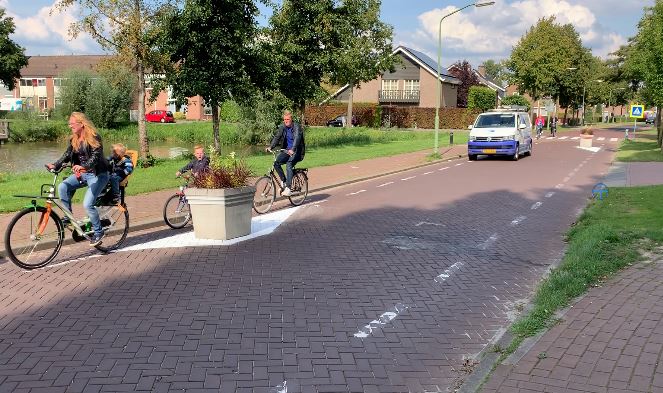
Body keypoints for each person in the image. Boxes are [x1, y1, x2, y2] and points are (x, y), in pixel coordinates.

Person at [47, 112, 110, 246]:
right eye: (69, 124)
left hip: (98, 174)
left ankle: (98, 232)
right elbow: (67, 154)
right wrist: (56, 164)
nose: (70, 126)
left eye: (72, 124)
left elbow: (96, 157)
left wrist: (84, 167)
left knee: (87, 204)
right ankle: (68, 217)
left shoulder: (94, 137)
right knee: (63, 186)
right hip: (83, 174)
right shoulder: (74, 139)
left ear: (81, 124)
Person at [267, 110, 305, 196]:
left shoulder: (297, 127)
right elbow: (277, 137)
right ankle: (284, 181)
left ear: (291, 119)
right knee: (276, 163)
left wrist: (293, 149)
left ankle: (288, 188)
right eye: (284, 119)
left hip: (297, 151)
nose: (286, 121)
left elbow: (297, 138)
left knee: (289, 164)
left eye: (288, 119)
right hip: (287, 150)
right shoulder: (282, 127)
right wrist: (271, 147)